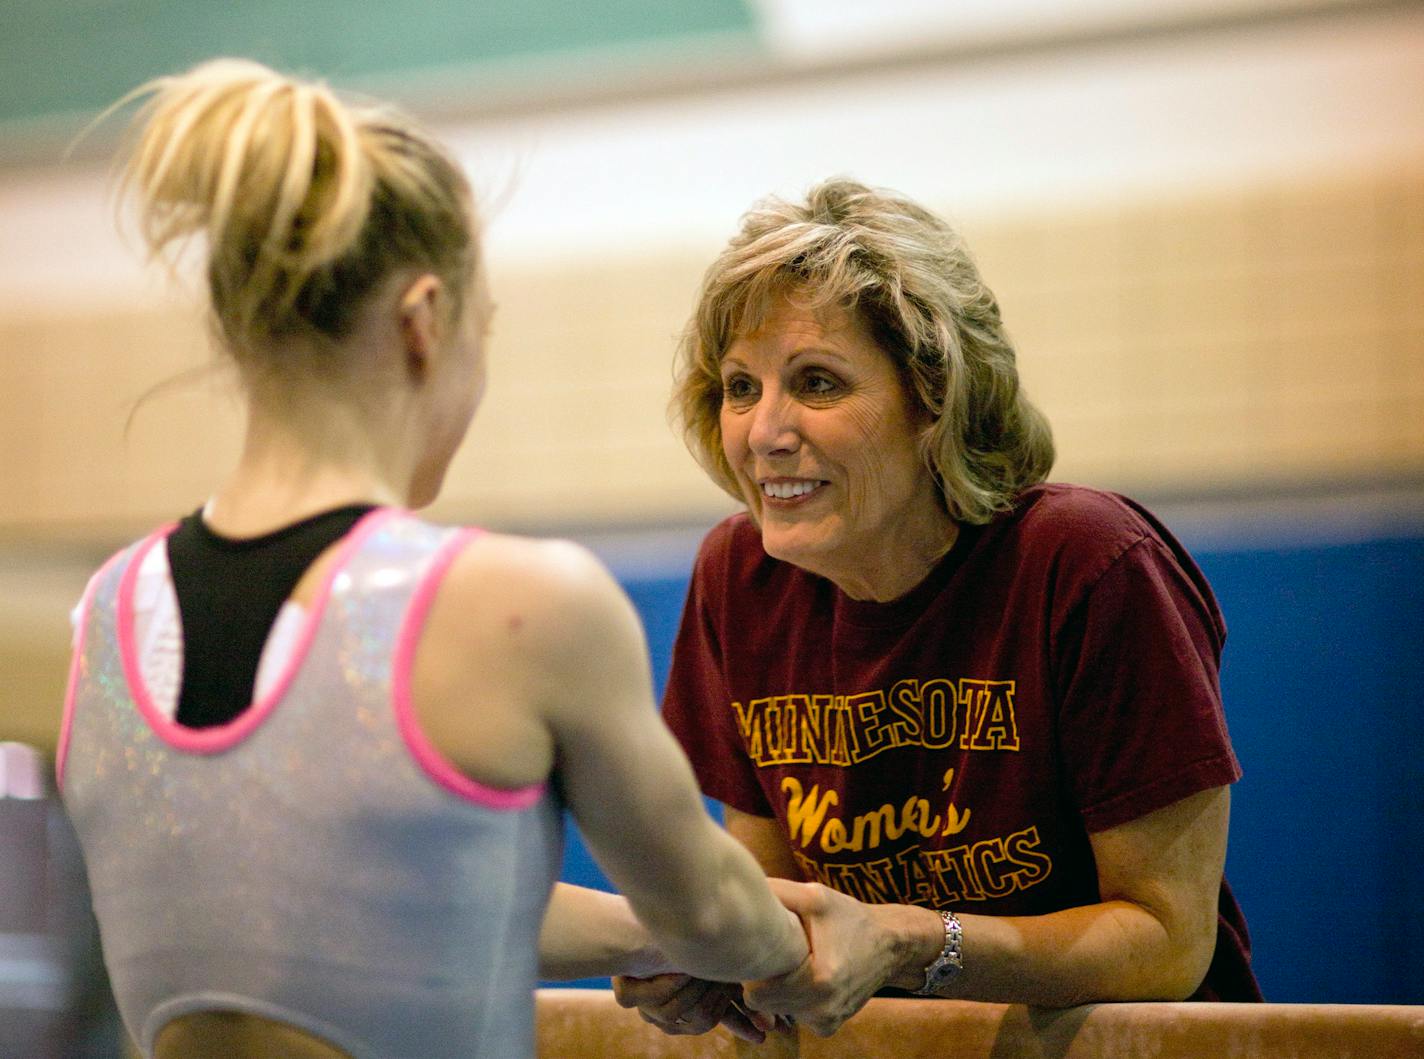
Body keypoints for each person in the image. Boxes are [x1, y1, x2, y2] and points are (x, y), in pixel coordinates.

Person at [55, 59, 809, 1059]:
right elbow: (709, 909)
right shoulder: (517, 604)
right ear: (422, 324)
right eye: (478, 335)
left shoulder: (107, 616)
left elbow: (382, 903)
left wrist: (642, 934)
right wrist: (796, 945)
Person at [614, 178, 1262, 1039]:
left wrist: (917, 943)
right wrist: (714, 961)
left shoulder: (1088, 565)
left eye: (815, 382)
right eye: (739, 387)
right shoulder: (739, 578)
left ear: (935, 399)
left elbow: (1167, 939)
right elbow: (775, 909)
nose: (764, 431)